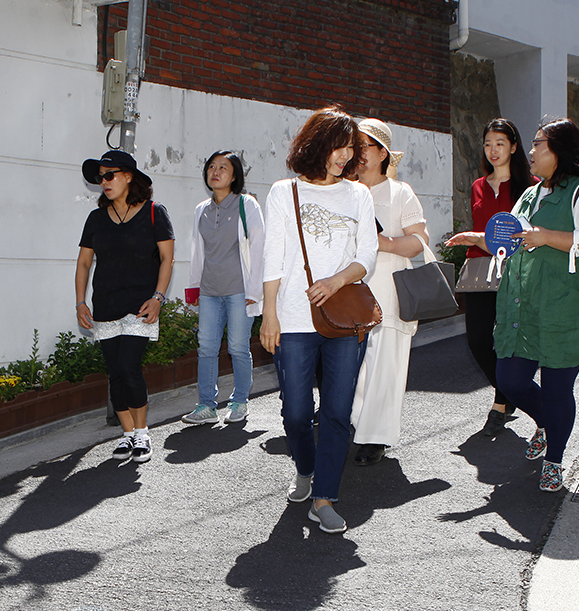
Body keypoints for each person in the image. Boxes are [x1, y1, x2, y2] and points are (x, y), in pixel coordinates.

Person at [446, 117, 579, 492]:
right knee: (510, 379)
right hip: (524, 305)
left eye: (539, 145)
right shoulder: (530, 195)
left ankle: (555, 458)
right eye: (534, 144)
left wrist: (545, 236)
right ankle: (546, 423)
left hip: (566, 305)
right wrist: (476, 236)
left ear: (560, 151)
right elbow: (512, 240)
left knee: (556, 389)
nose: (532, 151)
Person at [260, 106, 379, 533]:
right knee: (295, 412)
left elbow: (367, 253)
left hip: (344, 318)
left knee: (336, 409)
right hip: (292, 317)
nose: (344, 157)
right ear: (316, 145)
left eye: (350, 150)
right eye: (337, 147)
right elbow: (272, 256)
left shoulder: (358, 195)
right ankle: (305, 469)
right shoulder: (283, 192)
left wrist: (337, 279)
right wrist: (268, 313)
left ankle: (324, 496)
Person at [75, 149, 175, 463]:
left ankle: (143, 433)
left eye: (110, 175)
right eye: (100, 177)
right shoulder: (95, 219)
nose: (104, 182)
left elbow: (167, 259)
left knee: (130, 367)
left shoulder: (155, 213)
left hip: (140, 306)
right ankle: (128, 435)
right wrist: (80, 302)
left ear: (129, 176)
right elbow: (84, 264)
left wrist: (158, 298)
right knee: (115, 372)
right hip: (105, 305)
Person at [347, 119, 427, 465]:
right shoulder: (344, 190)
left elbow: (419, 241)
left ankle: (375, 438)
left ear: (383, 153)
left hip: (388, 292)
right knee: (353, 365)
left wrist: (384, 243)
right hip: (349, 293)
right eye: (355, 146)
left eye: (365, 147)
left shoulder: (399, 193)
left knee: (384, 366)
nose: (359, 154)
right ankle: (351, 424)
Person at [182, 151, 266, 425]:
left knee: (238, 347)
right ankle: (206, 405)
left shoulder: (246, 205)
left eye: (223, 167)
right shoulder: (201, 210)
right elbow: (197, 251)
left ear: (234, 175)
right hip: (209, 291)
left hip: (239, 290)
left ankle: (240, 401)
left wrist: (255, 291)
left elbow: (258, 248)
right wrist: (194, 287)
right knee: (206, 347)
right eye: (211, 167)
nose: (215, 172)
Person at [465, 118, 534, 439]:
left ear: (514, 147)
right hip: (480, 270)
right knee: (478, 339)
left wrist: (475, 236)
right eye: (488, 143)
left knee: (509, 340)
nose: (493, 150)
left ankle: (500, 402)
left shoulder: (531, 187)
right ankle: (509, 392)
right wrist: (475, 239)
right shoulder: (478, 185)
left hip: (517, 273)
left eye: (500, 144)